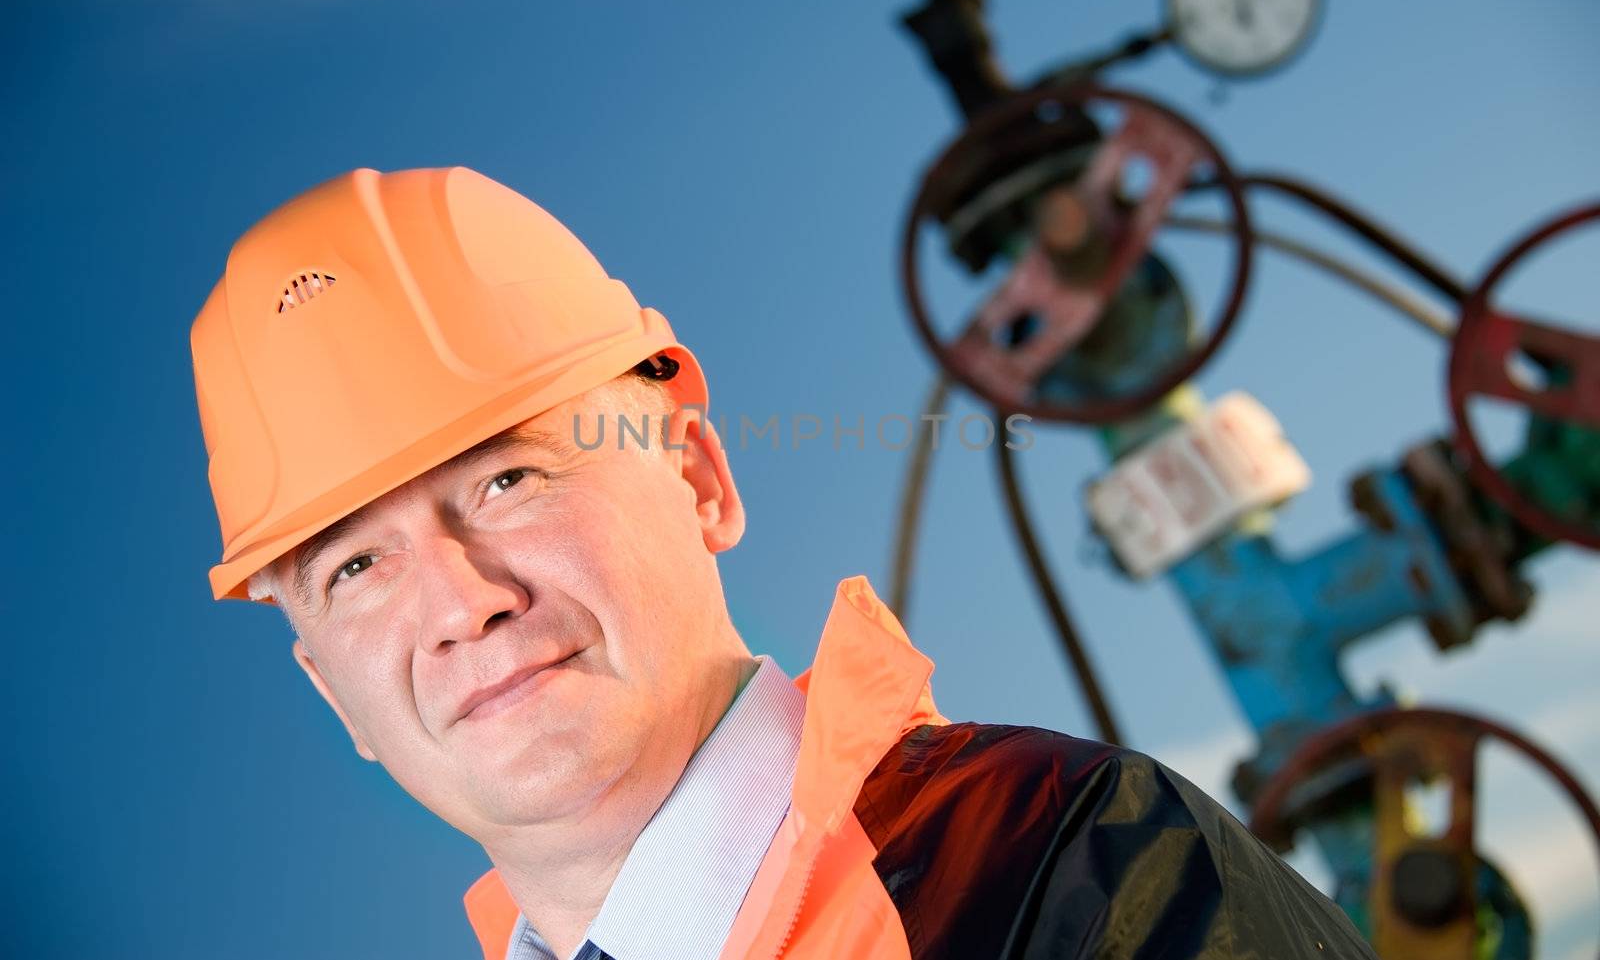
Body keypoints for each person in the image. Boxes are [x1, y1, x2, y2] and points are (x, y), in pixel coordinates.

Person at [189, 166, 1376, 959]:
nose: (461, 602)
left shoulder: (1048, 867)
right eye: (355, 567)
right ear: (327, 688)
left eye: (507, 480)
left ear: (699, 477)